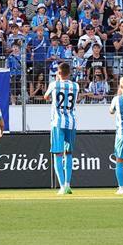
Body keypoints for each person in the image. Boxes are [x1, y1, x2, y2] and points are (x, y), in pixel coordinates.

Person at [44, 61, 79, 195]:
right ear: (69, 73)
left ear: (58, 73)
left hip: (57, 122)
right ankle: (68, 184)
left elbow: (46, 96)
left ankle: (62, 186)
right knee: (68, 153)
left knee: (58, 154)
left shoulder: (54, 84)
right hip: (71, 122)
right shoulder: (75, 86)